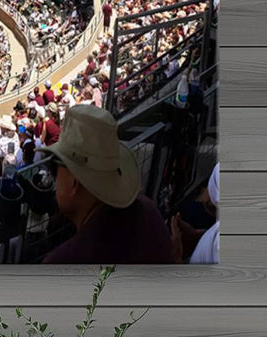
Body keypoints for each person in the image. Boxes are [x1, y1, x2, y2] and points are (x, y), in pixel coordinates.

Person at [43, 105, 174, 264]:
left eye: (55, 169)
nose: (55, 178)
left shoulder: (63, 264)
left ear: (73, 182)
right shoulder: (148, 211)